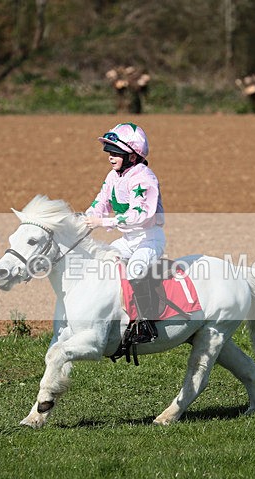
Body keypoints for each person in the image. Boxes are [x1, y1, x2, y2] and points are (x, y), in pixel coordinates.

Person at [84, 122, 165, 343]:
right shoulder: (113, 177)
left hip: (149, 239)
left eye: (116, 153)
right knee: (103, 264)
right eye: (109, 152)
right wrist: (84, 219)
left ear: (132, 156)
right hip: (128, 240)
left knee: (136, 270)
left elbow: (140, 215)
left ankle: (147, 324)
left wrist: (103, 221)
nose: (111, 157)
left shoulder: (144, 177)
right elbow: (100, 202)